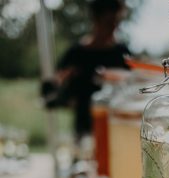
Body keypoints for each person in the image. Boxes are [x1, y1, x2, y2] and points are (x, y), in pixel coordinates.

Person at [43, 0, 130, 141]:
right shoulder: (76, 53)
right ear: (95, 19)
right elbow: (54, 85)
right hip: (84, 126)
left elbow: (133, 82)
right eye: (109, 22)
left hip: (116, 125)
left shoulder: (121, 52)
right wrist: (63, 81)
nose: (114, 27)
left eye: (116, 22)